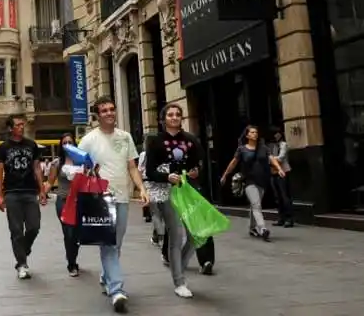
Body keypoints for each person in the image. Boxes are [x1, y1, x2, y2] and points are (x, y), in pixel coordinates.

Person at [78, 96, 148, 313]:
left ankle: (107, 274)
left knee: (116, 242)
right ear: (98, 115)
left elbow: (132, 167)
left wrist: (142, 188)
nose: (109, 113)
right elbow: (77, 170)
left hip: (123, 197)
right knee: (107, 244)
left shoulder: (125, 137)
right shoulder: (88, 140)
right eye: (104, 110)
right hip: (100, 199)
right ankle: (116, 290)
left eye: (111, 109)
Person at [145, 103, 207, 299]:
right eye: (170, 115)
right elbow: (150, 171)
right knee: (176, 235)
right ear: (164, 119)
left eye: (177, 114)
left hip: (188, 190)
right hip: (166, 192)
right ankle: (179, 281)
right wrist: (166, 177)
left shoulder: (190, 140)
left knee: (196, 234)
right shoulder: (155, 141)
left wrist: (196, 171)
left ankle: (177, 264)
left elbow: (198, 164)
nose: (174, 117)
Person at [0, 115, 47, 280]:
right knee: (16, 230)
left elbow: (37, 167)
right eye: (18, 125)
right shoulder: (3, 148)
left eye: (22, 125)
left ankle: (23, 249)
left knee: (34, 226)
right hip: (12, 193)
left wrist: (42, 189)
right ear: (10, 128)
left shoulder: (31, 145)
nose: (21, 127)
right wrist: (0, 195)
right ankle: (22, 264)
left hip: (30, 191)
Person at [221, 125, 286, 241]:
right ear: (247, 135)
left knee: (255, 205)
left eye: (256, 132)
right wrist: (225, 175)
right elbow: (233, 163)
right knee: (257, 205)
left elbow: (272, 159)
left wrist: (279, 169)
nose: (255, 134)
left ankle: (252, 228)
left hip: (262, 180)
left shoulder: (264, 148)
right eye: (252, 132)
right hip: (249, 181)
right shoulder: (242, 149)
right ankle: (263, 229)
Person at [47, 133, 81, 277]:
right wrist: (42, 194)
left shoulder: (82, 161)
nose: (68, 145)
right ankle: (71, 263)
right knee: (68, 233)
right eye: (65, 142)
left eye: (70, 142)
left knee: (77, 234)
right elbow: (49, 182)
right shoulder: (57, 163)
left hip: (79, 201)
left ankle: (73, 257)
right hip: (63, 201)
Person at [268, 127, 294, 227]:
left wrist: (270, 159)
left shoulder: (284, 144)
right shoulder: (272, 146)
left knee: (285, 196)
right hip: (273, 173)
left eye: (277, 133)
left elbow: (280, 158)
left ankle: (289, 219)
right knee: (277, 197)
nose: (276, 135)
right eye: (274, 134)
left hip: (283, 172)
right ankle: (281, 218)